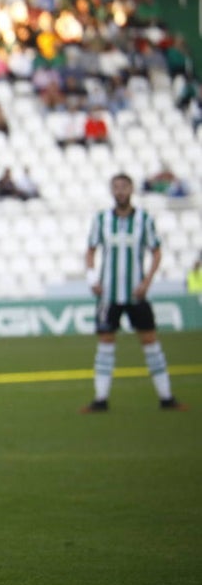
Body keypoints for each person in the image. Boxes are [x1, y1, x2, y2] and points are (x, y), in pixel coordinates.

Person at [82, 173, 186, 412]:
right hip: (108, 295)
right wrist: (92, 278)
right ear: (111, 191)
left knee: (150, 342)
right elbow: (90, 250)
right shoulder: (101, 220)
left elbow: (156, 251)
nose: (120, 191)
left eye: (124, 187)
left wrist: (147, 281)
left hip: (136, 293)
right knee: (106, 344)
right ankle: (101, 400)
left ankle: (166, 398)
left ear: (131, 190)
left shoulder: (144, 219)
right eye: (116, 187)